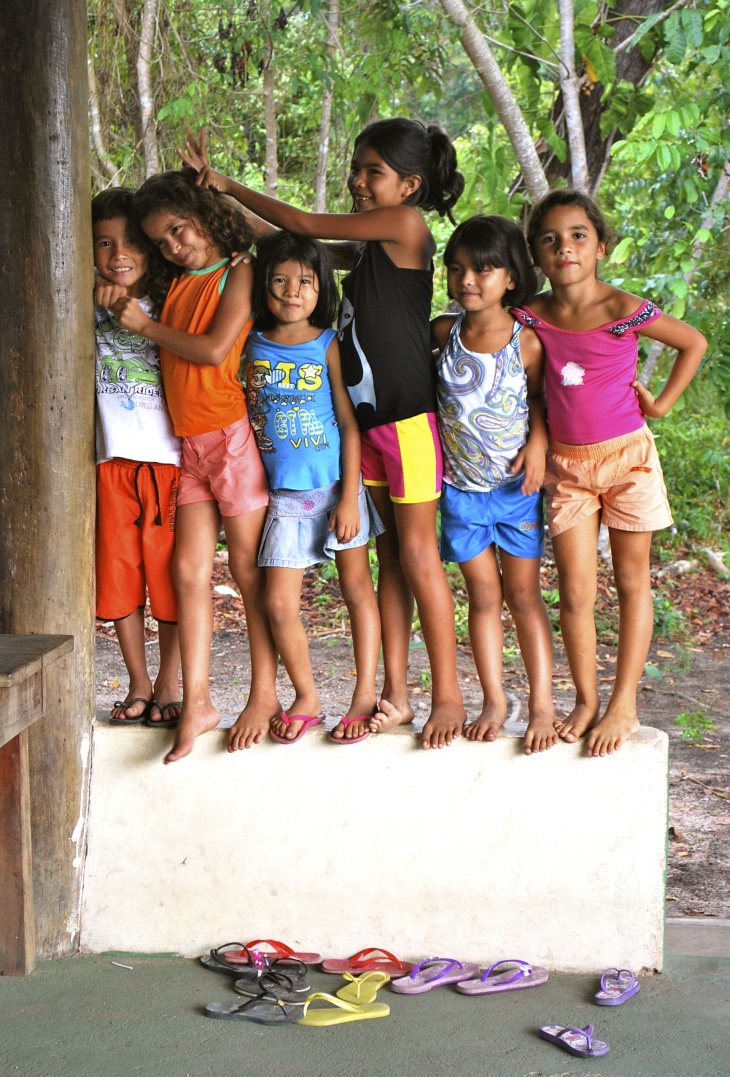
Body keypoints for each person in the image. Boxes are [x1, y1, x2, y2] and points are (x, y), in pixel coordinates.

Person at [178, 120, 467, 749]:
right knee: (389, 562)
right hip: (365, 432)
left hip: (408, 424)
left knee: (417, 558)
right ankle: (387, 694)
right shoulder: (367, 249)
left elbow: (307, 225)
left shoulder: (406, 226)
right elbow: (290, 243)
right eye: (357, 169)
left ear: (409, 185)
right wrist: (217, 201)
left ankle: (446, 694)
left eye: (372, 172)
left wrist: (229, 180)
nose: (358, 181)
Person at [513, 189, 707, 756]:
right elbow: (532, 392)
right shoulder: (530, 317)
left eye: (577, 235)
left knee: (630, 581)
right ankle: (586, 698)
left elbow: (692, 343)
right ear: (537, 255)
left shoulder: (625, 309)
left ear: (600, 246)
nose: (564, 247)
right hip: (568, 467)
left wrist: (664, 404)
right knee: (574, 593)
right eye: (549, 239)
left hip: (629, 460)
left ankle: (624, 702)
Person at [110, 169, 279, 763]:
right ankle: (200, 702)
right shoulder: (177, 282)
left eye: (178, 230)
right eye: (161, 241)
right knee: (188, 575)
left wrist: (147, 327)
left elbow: (211, 350)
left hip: (231, 441)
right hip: (191, 450)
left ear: (206, 215)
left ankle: (265, 693)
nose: (173, 246)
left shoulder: (238, 273)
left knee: (248, 570)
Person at [247, 232, 383, 743]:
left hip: (332, 489)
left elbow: (349, 425)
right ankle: (307, 695)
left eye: (304, 281)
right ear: (264, 285)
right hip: (283, 498)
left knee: (356, 588)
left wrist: (350, 497)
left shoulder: (327, 343)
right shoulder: (249, 341)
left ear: (320, 288)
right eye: (279, 280)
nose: (291, 291)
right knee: (278, 604)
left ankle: (364, 693)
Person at [432, 215, 557, 754]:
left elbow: (540, 400)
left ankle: (543, 706)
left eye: (484, 270)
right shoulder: (443, 333)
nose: (468, 280)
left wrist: (538, 442)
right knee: (482, 597)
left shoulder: (525, 342)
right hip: (461, 491)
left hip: (515, 492)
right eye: (457, 269)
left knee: (524, 596)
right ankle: (494, 700)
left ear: (511, 277)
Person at [92, 187, 182, 729]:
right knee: (120, 572)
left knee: (168, 575)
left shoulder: (170, 303)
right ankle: (139, 681)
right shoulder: (84, 304)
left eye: (130, 242)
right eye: (104, 243)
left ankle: (170, 681)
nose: (117, 253)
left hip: (168, 461)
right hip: (112, 461)